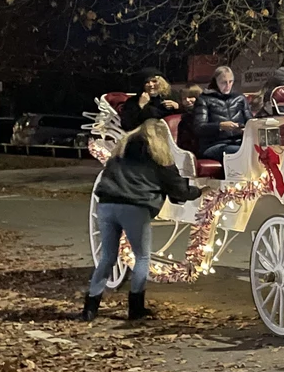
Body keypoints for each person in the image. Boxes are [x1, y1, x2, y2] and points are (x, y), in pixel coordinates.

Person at [83, 119, 202, 321]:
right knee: (142, 257)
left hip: (107, 204)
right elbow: (178, 190)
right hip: (135, 208)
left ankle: (90, 307)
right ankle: (136, 307)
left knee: (107, 258)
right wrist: (197, 191)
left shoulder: (120, 151)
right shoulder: (160, 156)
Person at [192, 65, 252, 161]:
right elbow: (199, 128)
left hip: (240, 142)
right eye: (223, 82)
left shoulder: (240, 98)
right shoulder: (204, 99)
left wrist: (245, 129)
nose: (228, 86)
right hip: (213, 145)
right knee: (238, 151)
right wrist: (219, 126)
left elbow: (250, 121)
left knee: (256, 150)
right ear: (215, 82)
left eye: (230, 82)